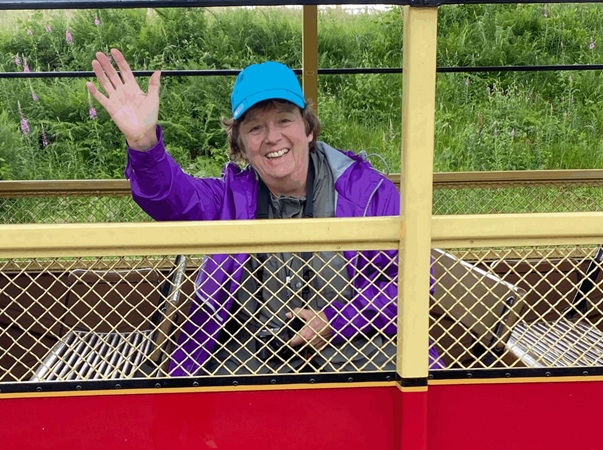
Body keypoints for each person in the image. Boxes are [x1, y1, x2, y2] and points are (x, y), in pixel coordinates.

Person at [88, 49, 442, 376]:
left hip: (351, 357)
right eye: (255, 127)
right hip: (250, 361)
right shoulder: (228, 196)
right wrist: (144, 144)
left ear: (307, 128)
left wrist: (335, 321)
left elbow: (411, 286)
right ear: (239, 144)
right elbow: (170, 201)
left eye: (284, 120)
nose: (272, 138)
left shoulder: (368, 193)